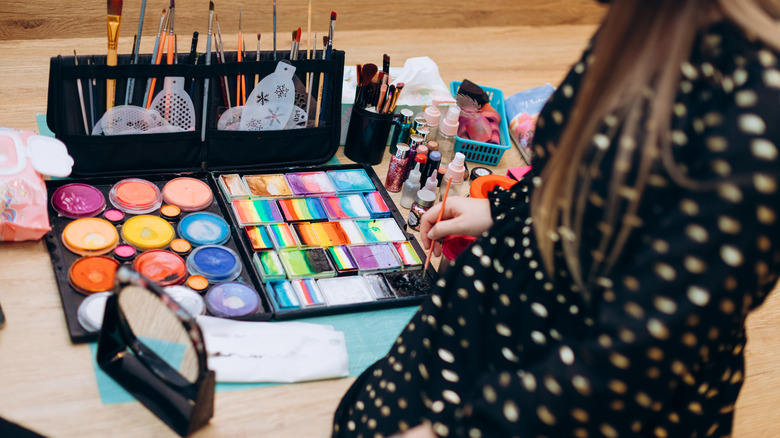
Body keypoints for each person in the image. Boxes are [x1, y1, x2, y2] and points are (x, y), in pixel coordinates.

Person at [333, 0, 780, 436]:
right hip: (502, 317)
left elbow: (633, 364)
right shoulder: (647, 18)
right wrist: (508, 209)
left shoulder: (759, 120)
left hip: (568, 394)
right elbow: (591, 166)